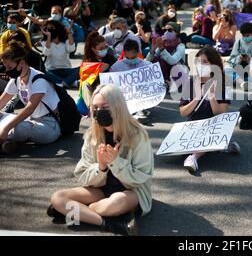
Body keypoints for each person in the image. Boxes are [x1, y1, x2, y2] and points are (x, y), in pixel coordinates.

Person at [49, 84, 153, 236]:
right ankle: (108, 223)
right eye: (95, 107)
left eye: (104, 106)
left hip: (130, 192)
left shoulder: (138, 135)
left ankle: (77, 212)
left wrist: (116, 162)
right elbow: (82, 175)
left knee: (116, 203)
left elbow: (140, 178)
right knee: (58, 198)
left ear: (118, 106)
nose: (99, 111)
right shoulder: (93, 135)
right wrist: (101, 167)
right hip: (100, 190)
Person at [179, 47, 240, 173]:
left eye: (205, 62)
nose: (201, 65)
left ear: (214, 65)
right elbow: (183, 112)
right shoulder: (190, 82)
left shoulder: (225, 83)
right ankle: (223, 145)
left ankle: (194, 157)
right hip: (194, 125)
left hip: (214, 125)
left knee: (201, 142)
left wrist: (211, 96)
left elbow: (221, 114)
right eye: (199, 62)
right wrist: (196, 99)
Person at [0, 40, 61, 153]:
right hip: (31, 121)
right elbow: (1, 102)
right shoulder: (16, 80)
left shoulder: (38, 79)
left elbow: (29, 109)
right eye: (5, 67)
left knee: (16, 127)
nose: (7, 71)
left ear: (21, 63)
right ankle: (8, 144)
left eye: (9, 67)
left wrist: (6, 128)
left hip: (49, 126)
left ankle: (6, 140)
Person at [40, 20, 79, 88]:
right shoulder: (45, 42)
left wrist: (69, 34)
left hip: (66, 69)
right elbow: (47, 53)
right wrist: (49, 36)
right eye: (48, 28)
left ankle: (62, 83)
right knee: (43, 72)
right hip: (52, 70)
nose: (50, 30)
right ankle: (70, 82)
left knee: (82, 68)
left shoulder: (65, 40)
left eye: (52, 28)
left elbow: (71, 49)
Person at [226, 22, 252, 91]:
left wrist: (250, 59)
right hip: (239, 69)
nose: (246, 37)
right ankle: (243, 83)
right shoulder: (238, 42)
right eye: (244, 35)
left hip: (251, 70)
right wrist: (239, 58)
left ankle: (247, 82)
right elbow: (231, 60)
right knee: (226, 70)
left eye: (248, 35)